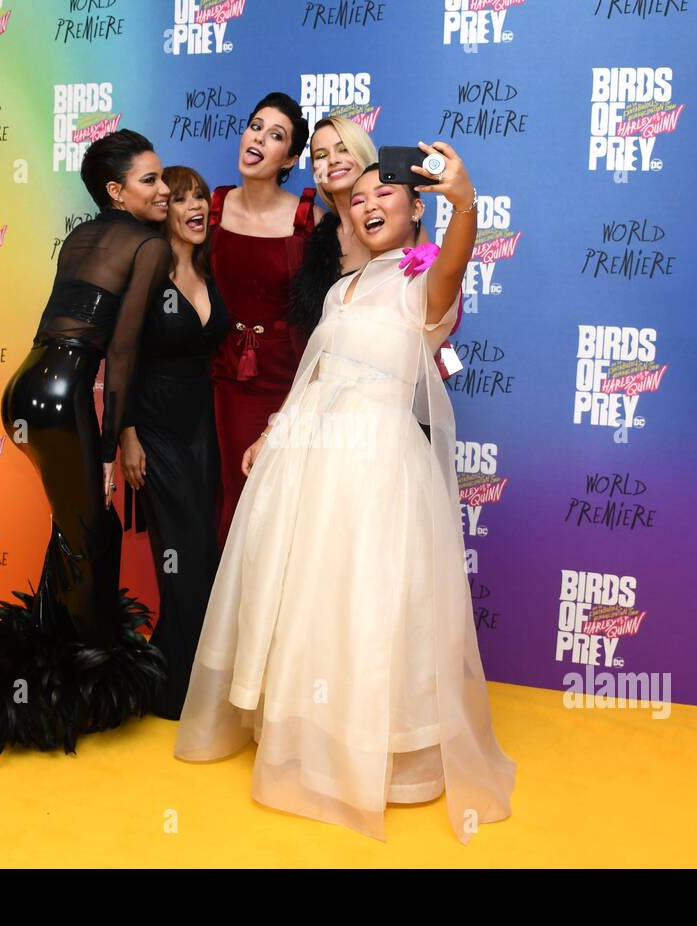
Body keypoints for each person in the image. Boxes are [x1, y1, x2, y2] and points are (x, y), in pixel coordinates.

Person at [174, 142, 516, 843]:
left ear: (415, 205)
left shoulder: (420, 276)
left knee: (369, 600)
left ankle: (380, 754)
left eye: (385, 193)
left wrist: (465, 202)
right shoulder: (342, 288)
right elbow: (316, 376)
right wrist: (274, 432)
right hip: (308, 460)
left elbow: (448, 269)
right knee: (313, 596)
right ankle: (307, 736)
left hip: (374, 464)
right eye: (356, 199)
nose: (368, 205)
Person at [0, 130, 171, 754]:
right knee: (91, 534)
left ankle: (49, 668)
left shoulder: (79, 237)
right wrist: (108, 445)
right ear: (116, 191)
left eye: (162, 178)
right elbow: (119, 354)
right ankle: (81, 689)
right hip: (62, 395)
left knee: (72, 531)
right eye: (150, 180)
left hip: (21, 390)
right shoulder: (149, 245)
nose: (165, 189)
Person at [117, 165, 230, 720]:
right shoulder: (148, 271)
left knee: (204, 553)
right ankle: (174, 693)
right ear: (165, 210)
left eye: (203, 196)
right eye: (182, 197)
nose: (196, 205)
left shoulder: (209, 272)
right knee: (182, 556)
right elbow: (123, 357)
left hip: (203, 429)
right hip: (156, 429)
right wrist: (128, 435)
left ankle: (177, 676)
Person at [207, 92, 319, 547]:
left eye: (276, 135)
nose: (259, 138)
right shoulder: (212, 207)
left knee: (275, 504)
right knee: (227, 496)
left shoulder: (304, 218)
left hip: (284, 379)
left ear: (290, 157)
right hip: (221, 377)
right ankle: (224, 613)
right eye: (256, 126)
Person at [290, 115, 463, 377]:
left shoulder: (402, 228)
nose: (333, 160)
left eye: (343, 148)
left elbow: (439, 303)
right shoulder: (318, 236)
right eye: (321, 155)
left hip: (394, 386)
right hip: (329, 388)